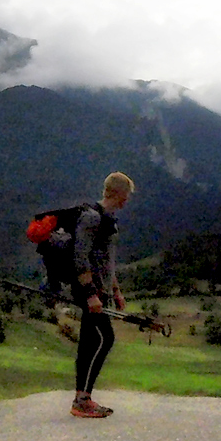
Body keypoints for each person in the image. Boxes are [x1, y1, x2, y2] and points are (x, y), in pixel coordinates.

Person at [70, 171, 133, 418]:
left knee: (93, 340)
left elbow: (106, 262)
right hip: (90, 292)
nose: (126, 202)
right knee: (102, 339)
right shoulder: (91, 218)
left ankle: (83, 398)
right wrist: (90, 294)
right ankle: (82, 400)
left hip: (101, 291)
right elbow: (80, 258)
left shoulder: (107, 221)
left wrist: (115, 291)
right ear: (113, 193)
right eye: (125, 196)